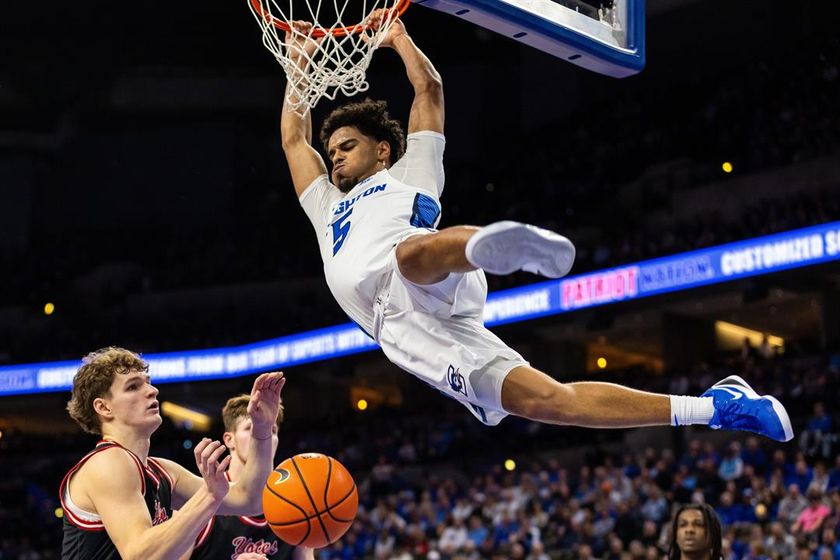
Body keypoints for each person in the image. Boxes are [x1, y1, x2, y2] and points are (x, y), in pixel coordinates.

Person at [279, 13, 792, 442]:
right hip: (406, 330)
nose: (336, 158)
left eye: (347, 146)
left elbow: (428, 90)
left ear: (382, 149)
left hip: (425, 269)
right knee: (549, 401)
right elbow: (294, 141)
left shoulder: (409, 171)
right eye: (334, 152)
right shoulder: (326, 205)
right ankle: (718, 407)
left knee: (410, 255)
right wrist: (298, 64)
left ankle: (489, 244)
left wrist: (400, 39)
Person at [60, 346, 285, 559]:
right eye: (133, 386)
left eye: (148, 383)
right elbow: (141, 555)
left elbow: (250, 499)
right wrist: (209, 496)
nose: (152, 390)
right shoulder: (107, 462)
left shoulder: (162, 471)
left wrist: (262, 431)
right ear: (103, 407)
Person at [189, 395, 314, 560]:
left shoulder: (296, 503)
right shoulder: (201, 498)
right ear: (229, 440)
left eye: (272, 430)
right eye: (252, 428)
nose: (264, 436)